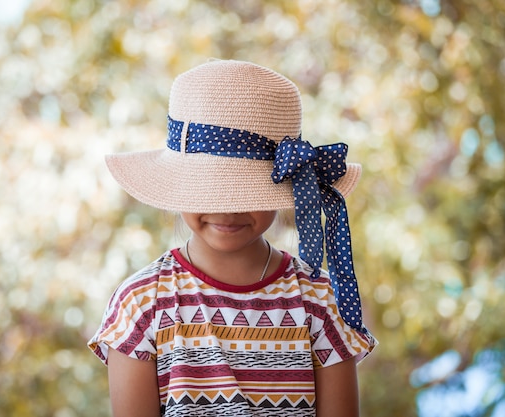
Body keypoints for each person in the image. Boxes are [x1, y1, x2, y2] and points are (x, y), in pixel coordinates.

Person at [88, 59, 377, 417]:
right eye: (210, 188)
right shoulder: (141, 304)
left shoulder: (319, 301)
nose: (227, 211)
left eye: (247, 193)